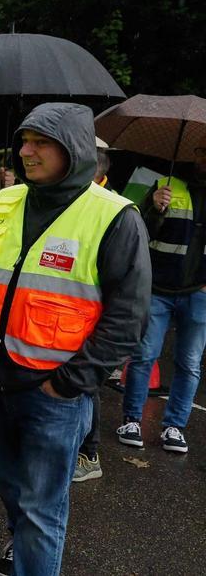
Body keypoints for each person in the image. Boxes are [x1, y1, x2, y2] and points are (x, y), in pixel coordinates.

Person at [0, 103, 149, 576]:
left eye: (40, 143)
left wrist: (71, 383)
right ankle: (22, 542)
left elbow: (128, 318)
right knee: (7, 482)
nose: (26, 151)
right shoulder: (6, 200)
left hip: (54, 392)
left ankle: (30, 552)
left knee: (42, 507)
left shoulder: (115, 217)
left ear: (73, 148)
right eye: (24, 141)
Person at [118, 132, 206, 455]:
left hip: (199, 292)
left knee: (190, 362)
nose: (203, 158)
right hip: (159, 288)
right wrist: (154, 208)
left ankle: (174, 427)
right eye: (201, 150)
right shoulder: (167, 186)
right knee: (143, 356)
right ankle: (131, 420)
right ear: (193, 153)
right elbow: (138, 231)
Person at [74, 143, 114, 483]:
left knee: (87, 386)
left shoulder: (110, 210)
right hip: (75, 317)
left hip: (91, 318)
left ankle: (89, 454)